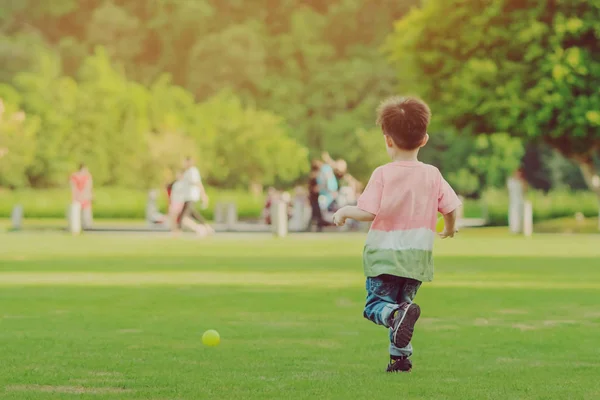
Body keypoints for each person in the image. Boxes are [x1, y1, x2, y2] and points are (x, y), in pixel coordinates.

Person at [332, 96, 462, 373]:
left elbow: (367, 212)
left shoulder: (383, 174)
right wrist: (449, 229)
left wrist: (344, 210)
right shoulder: (432, 174)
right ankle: (400, 359)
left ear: (387, 140)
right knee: (406, 307)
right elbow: (451, 208)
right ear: (424, 139)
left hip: (385, 255)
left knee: (377, 306)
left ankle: (393, 316)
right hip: (417, 258)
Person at [180, 157, 214, 236]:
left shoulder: (192, 171)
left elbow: (198, 183)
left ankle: (200, 229)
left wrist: (203, 195)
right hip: (187, 197)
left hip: (191, 197)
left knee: (184, 218)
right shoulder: (187, 172)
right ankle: (207, 227)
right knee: (194, 215)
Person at [70, 163, 93, 229]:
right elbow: (88, 186)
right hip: (81, 197)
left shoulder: (86, 176)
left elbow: (89, 186)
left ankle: (85, 225)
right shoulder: (83, 176)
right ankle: (85, 225)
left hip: (82, 197)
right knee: (82, 212)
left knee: (85, 212)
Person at [308, 160, 328, 232]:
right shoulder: (314, 176)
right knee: (316, 212)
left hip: (314, 197)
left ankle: (316, 226)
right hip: (314, 197)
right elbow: (314, 189)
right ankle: (316, 227)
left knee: (315, 212)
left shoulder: (313, 176)